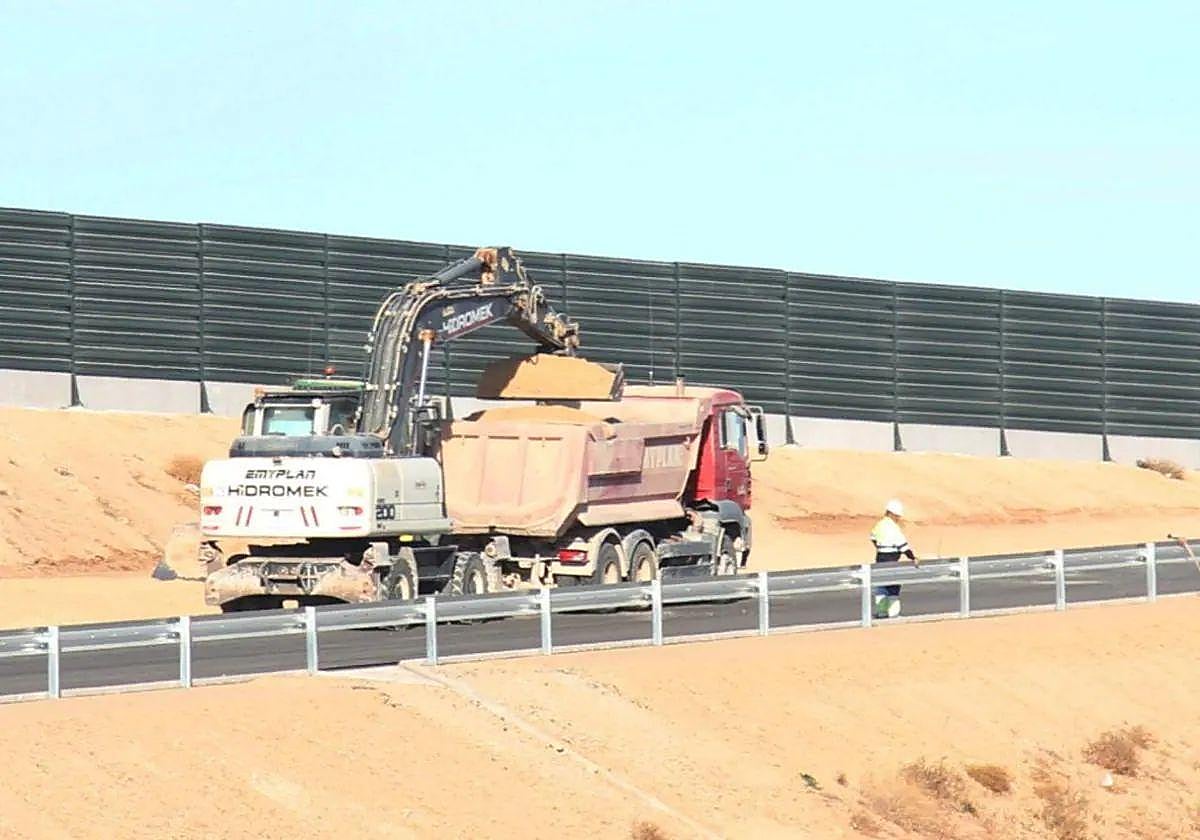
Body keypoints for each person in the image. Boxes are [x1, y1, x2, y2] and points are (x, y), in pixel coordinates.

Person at [869, 499, 919, 618]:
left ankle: (881, 613)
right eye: (897, 516)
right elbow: (902, 545)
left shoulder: (879, 524)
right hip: (891, 560)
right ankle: (893, 613)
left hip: (880, 558)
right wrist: (913, 557)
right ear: (892, 514)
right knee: (893, 587)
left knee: (881, 586)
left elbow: (873, 538)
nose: (898, 518)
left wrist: (880, 547)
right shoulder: (892, 528)